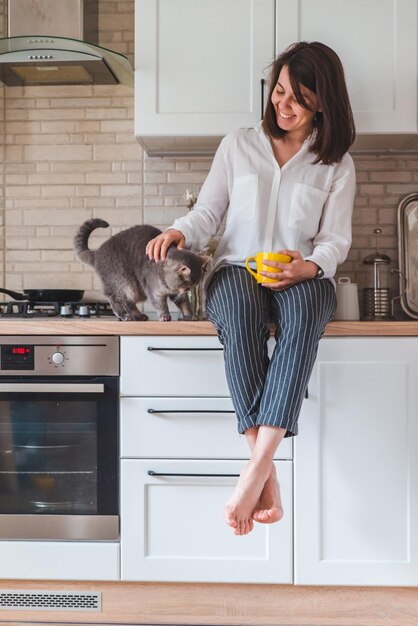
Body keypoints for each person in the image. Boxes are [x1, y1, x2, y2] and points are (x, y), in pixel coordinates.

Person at [146, 41, 356, 536]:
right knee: (239, 317)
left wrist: (309, 267)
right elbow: (209, 212)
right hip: (237, 269)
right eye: (279, 91)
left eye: (299, 98)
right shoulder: (237, 144)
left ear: (322, 102)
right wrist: (180, 231)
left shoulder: (336, 164)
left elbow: (336, 240)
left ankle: (256, 471)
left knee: (305, 317)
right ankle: (265, 471)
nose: (283, 105)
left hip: (300, 273)